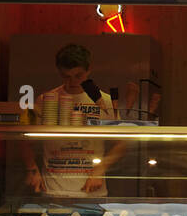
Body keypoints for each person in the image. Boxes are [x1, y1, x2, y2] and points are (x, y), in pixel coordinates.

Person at [21, 43, 125, 197]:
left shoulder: (105, 102)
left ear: (89, 69)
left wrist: (101, 169)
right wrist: (32, 170)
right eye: (66, 76)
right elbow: (24, 139)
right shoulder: (46, 100)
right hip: (54, 191)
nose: (73, 82)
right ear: (59, 72)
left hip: (93, 193)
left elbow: (121, 142)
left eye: (78, 76)